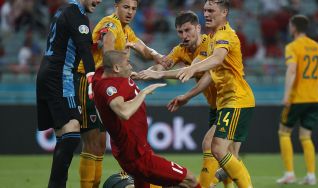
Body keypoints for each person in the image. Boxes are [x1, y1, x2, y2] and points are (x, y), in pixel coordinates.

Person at [137, 10, 234, 188]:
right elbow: (163, 65)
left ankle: (205, 184)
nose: (184, 35)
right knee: (227, 157)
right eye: (180, 32)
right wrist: (145, 73)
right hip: (215, 105)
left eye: (188, 30)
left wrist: (161, 75)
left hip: (231, 100)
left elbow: (194, 69)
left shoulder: (209, 44)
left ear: (198, 28)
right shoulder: (180, 50)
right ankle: (213, 182)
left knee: (212, 146)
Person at [76, 0, 163, 187]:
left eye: (133, 8)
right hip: (91, 83)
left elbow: (143, 49)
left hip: (107, 86)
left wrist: (158, 57)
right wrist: (119, 70)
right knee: (94, 143)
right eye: (126, 7)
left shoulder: (125, 29)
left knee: (102, 144)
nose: (130, 12)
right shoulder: (111, 24)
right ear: (116, 6)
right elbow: (107, 49)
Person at [92, 50, 201, 188]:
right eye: (128, 63)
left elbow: (108, 62)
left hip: (135, 150)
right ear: (117, 68)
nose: (131, 67)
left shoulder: (111, 76)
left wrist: (152, 70)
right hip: (137, 157)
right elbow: (124, 112)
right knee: (189, 180)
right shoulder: (109, 87)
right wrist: (144, 92)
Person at [175, 1, 255, 187]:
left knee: (216, 148)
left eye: (211, 10)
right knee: (227, 154)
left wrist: (192, 69)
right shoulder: (212, 38)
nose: (207, 14)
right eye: (205, 10)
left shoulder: (225, 34)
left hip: (236, 99)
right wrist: (160, 72)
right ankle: (212, 182)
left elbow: (217, 59)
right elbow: (208, 68)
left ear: (224, 12)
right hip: (226, 101)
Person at [36, 0, 101, 187]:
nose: (99, 1)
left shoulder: (63, 9)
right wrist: (91, 79)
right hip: (60, 76)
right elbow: (84, 49)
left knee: (64, 134)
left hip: (46, 73)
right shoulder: (77, 14)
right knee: (72, 129)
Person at [276, 15, 318, 185]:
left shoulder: (292, 47)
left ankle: (290, 173)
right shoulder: (317, 47)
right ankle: (311, 176)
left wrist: (286, 95)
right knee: (306, 137)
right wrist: (312, 80)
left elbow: (291, 71)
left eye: (290, 25)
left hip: (297, 97)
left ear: (294, 27)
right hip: (314, 98)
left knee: (284, 132)